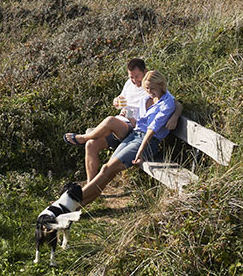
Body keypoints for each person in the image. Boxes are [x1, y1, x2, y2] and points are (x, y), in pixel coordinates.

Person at [63, 59, 182, 182]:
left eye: (137, 76)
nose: (135, 80)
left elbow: (174, 103)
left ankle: (83, 137)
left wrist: (175, 116)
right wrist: (117, 102)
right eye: (131, 77)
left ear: (145, 72)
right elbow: (122, 99)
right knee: (91, 145)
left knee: (110, 121)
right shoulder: (130, 84)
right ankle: (91, 185)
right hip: (123, 123)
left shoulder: (150, 86)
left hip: (133, 126)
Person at [73, 70, 177, 207]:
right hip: (134, 135)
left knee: (107, 169)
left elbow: (151, 130)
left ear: (161, 85)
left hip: (148, 143)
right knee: (107, 169)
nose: (150, 91)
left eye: (153, 88)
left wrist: (140, 152)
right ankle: (77, 206)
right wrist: (127, 115)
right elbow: (137, 123)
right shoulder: (146, 99)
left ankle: (71, 202)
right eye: (147, 88)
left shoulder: (166, 103)